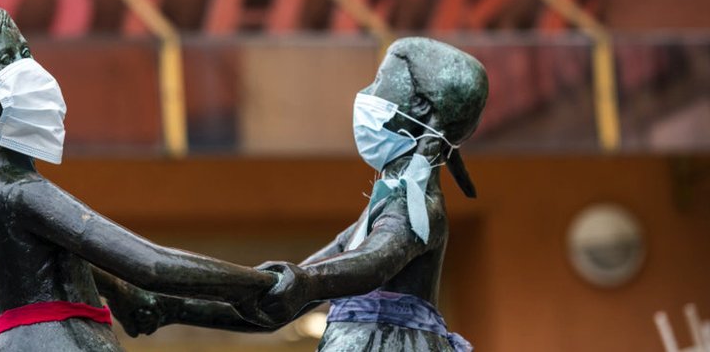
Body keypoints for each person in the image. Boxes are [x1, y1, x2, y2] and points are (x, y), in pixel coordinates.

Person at [0, 8, 276, 352]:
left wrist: (122, 293)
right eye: (4, 60)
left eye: (24, 52)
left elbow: (54, 261)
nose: (27, 68)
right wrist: (261, 284)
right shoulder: (19, 192)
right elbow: (150, 265)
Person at [117, 38, 488, 352]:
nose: (366, 94)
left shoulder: (418, 208)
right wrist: (171, 308)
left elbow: (373, 263)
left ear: (421, 106)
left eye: (378, 81)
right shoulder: (382, 208)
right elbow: (275, 306)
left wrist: (306, 282)